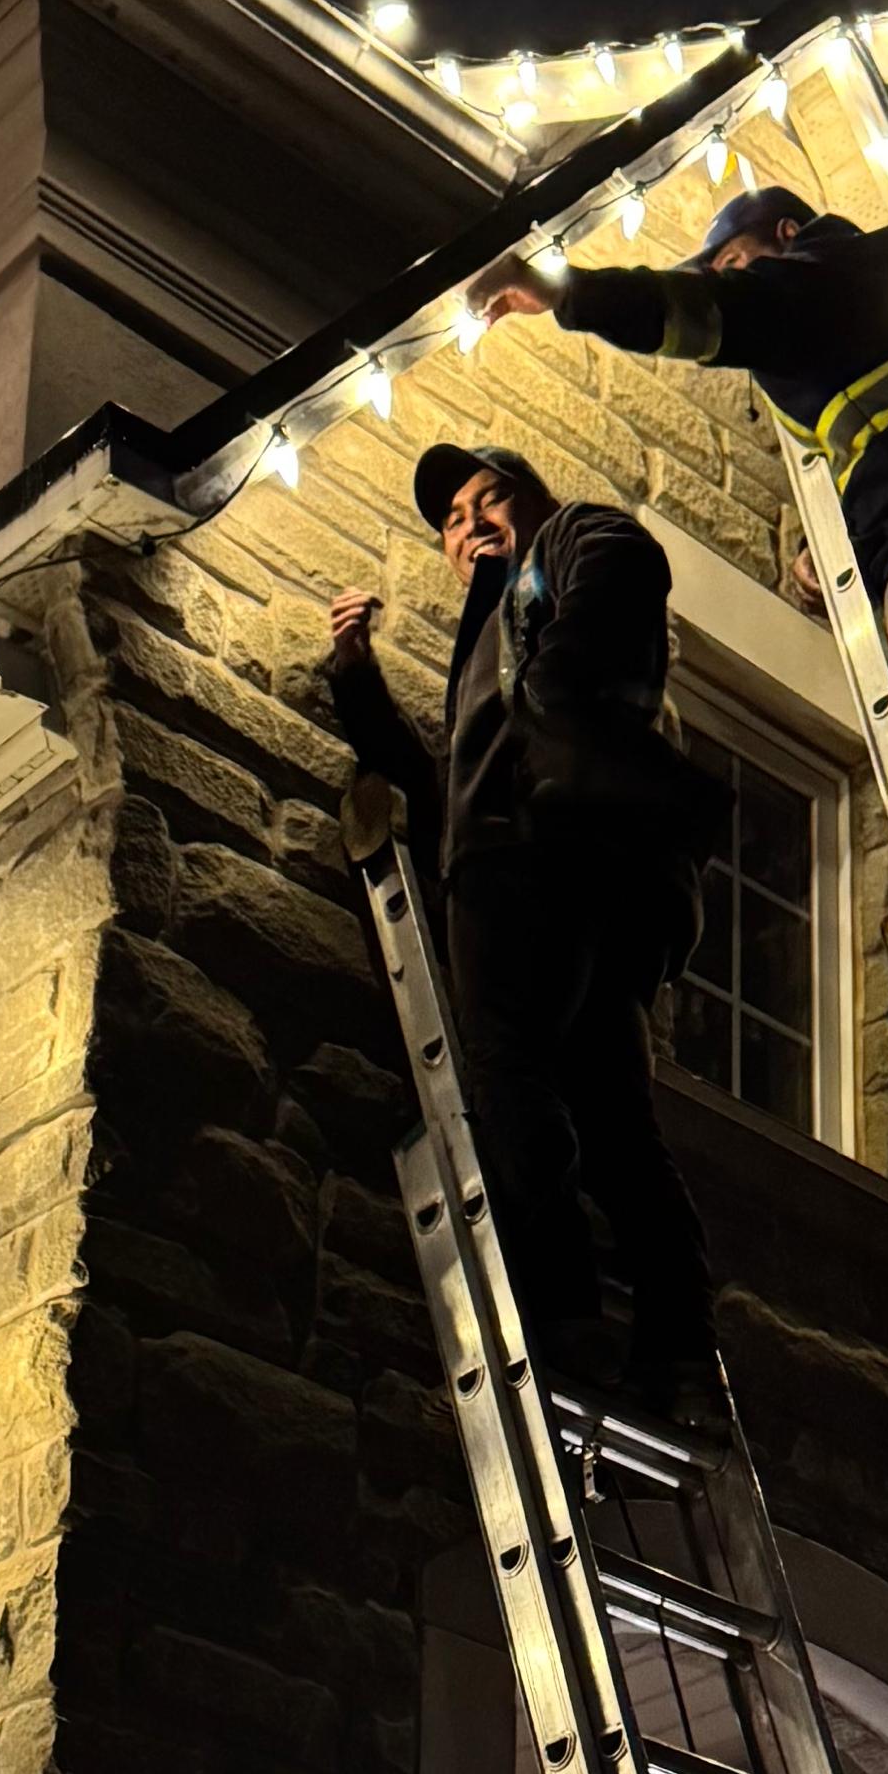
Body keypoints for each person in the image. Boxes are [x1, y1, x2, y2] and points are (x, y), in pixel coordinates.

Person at [482, 184, 888, 1036]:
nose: (729, 279)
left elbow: (731, 317)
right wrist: (844, 553)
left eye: (732, 261)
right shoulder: (881, 304)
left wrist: (570, 292)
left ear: (784, 236)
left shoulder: (829, 273)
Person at [321, 441, 732, 1418]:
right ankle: (677, 1351)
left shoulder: (562, 551)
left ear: (530, 497)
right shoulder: (498, 639)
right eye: (453, 524)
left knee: (517, 1079)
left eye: (484, 500)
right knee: (607, 1114)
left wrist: (553, 683)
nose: (468, 528)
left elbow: (625, 566)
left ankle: (571, 1316)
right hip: (547, 863)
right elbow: (444, 792)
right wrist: (354, 676)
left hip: (539, 867)